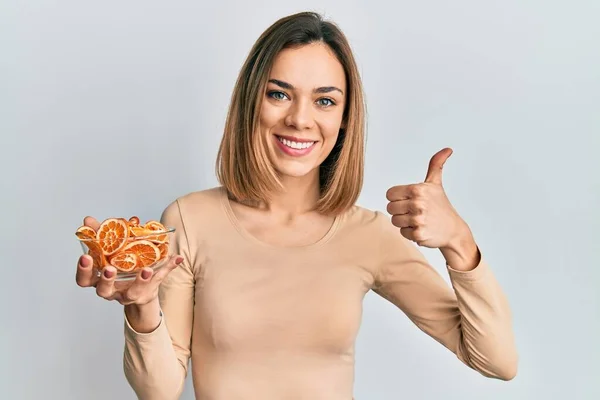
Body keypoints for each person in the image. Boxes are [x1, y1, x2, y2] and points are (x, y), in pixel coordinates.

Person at [75, 11, 518, 400]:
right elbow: (159, 390)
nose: (301, 119)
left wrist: (459, 242)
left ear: (344, 119)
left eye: (325, 100)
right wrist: (141, 307)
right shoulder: (190, 220)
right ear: (252, 102)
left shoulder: (368, 235)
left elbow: (497, 361)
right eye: (279, 94)